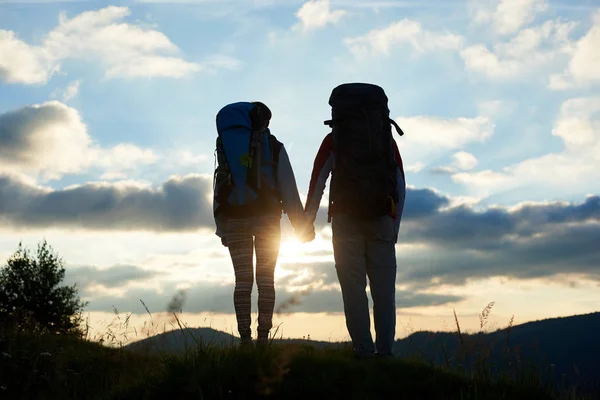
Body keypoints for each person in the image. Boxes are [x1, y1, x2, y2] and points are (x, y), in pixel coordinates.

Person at [304, 83, 406, 358]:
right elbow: (400, 183)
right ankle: (385, 354)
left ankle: (363, 351)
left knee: (354, 291)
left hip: (345, 222)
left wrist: (306, 222)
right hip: (382, 220)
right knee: (384, 294)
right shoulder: (386, 140)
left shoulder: (334, 140)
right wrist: (393, 227)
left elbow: (318, 182)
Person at [212, 101, 311, 347]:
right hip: (267, 220)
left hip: (234, 218)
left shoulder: (225, 145)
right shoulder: (273, 146)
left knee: (242, 281)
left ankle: (244, 339)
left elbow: (219, 185)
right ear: (262, 121)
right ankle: (263, 339)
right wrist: (302, 227)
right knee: (266, 280)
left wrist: (221, 226)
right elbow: (288, 188)